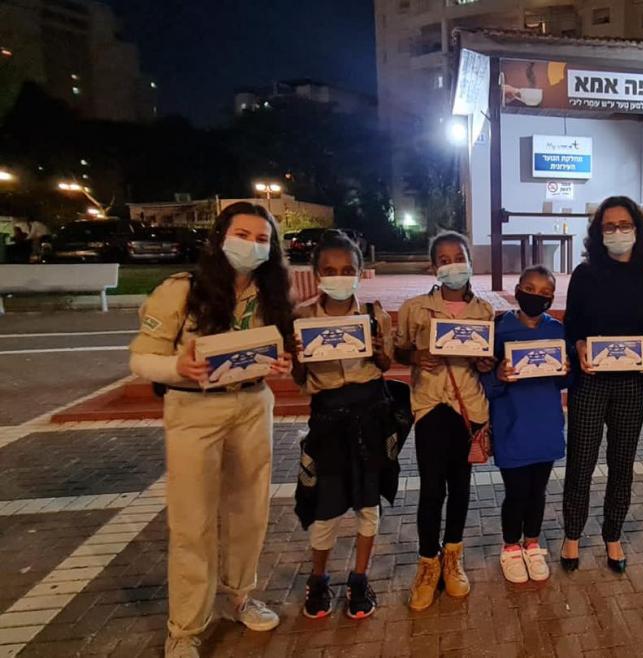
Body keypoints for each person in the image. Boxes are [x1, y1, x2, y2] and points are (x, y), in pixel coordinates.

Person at [128, 202, 294, 658]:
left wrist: (281, 363)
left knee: (249, 511)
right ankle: (185, 627)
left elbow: (278, 347)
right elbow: (140, 358)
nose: (252, 246)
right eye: (243, 235)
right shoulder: (183, 290)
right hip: (194, 409)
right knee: (193, 521)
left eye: (262, 239)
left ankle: (239, 595)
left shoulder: (271, 293)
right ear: (220, 237)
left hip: (252, 405)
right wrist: (176, 367)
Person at [291, 230, 394, 621]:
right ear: (317, 274)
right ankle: (318, 579)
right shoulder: (303, 319)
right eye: (330, 270)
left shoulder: (373, 314)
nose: (339, 276)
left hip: (370, 415)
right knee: (326, 508)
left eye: (348, 269)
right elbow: (300, 380)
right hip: (328, 420)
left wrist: (381, 352)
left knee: (368, 505)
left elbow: (384, 366)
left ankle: (359, 578)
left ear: (360, 271)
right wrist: (298, 358)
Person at [561, 196, 643, 573]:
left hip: (632, 386)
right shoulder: (584, 275)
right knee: (581, 461)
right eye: (609, 226)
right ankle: (572, 536)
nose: (617, 231)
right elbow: (572, 325)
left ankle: (613, 535)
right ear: (598, 232)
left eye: (624, 225)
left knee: (622, 464)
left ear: (638, 230)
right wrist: (578, 346)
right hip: (591, 382)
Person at [393, 231, 495, 611]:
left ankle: (453, 557)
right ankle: (427, 563)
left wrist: (487, 363)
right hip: (431, 406)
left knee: (461, 486)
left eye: (459, 257)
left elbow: (486, 361)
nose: (453, 265)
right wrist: (415, 357)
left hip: (468, 408)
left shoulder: (484, 311)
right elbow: (399, 350)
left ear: (470, 261)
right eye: (444, 259)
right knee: (432, 489)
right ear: (433, 267)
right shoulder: (415, 308)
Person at [482, 265, 567, 584]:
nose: (536, 296)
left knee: (538, 491)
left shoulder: (557, 330)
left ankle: (532, 543)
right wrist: (497, 376)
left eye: (545, 292)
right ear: (517, 289)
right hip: (511, 426)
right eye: (529, 289)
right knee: (516, 492)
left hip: (546, 425)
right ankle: (510, 547)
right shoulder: (498, 329)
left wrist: (566, 370)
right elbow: (485, 382)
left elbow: (565, 381)